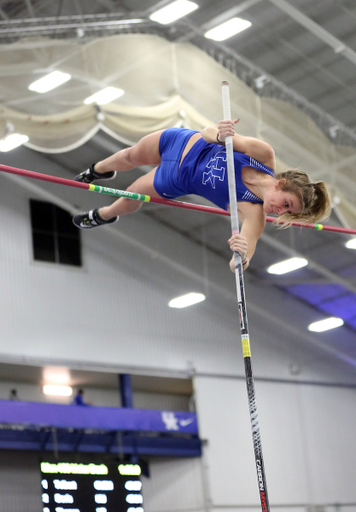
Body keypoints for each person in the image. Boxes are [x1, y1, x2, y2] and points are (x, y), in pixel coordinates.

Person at [73, 119, 331, 271]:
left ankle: (105, 215)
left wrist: (240, 258)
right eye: (286, 204)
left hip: (177, 178)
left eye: (288, 212)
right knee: (130, 155)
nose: (281, 211)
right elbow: (208, 132)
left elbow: (242, 257)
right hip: (186, 142)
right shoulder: (263, 155)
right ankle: (97, 170)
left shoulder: (253, 214)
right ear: (281, 183)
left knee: (132, 195)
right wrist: (220, 134)